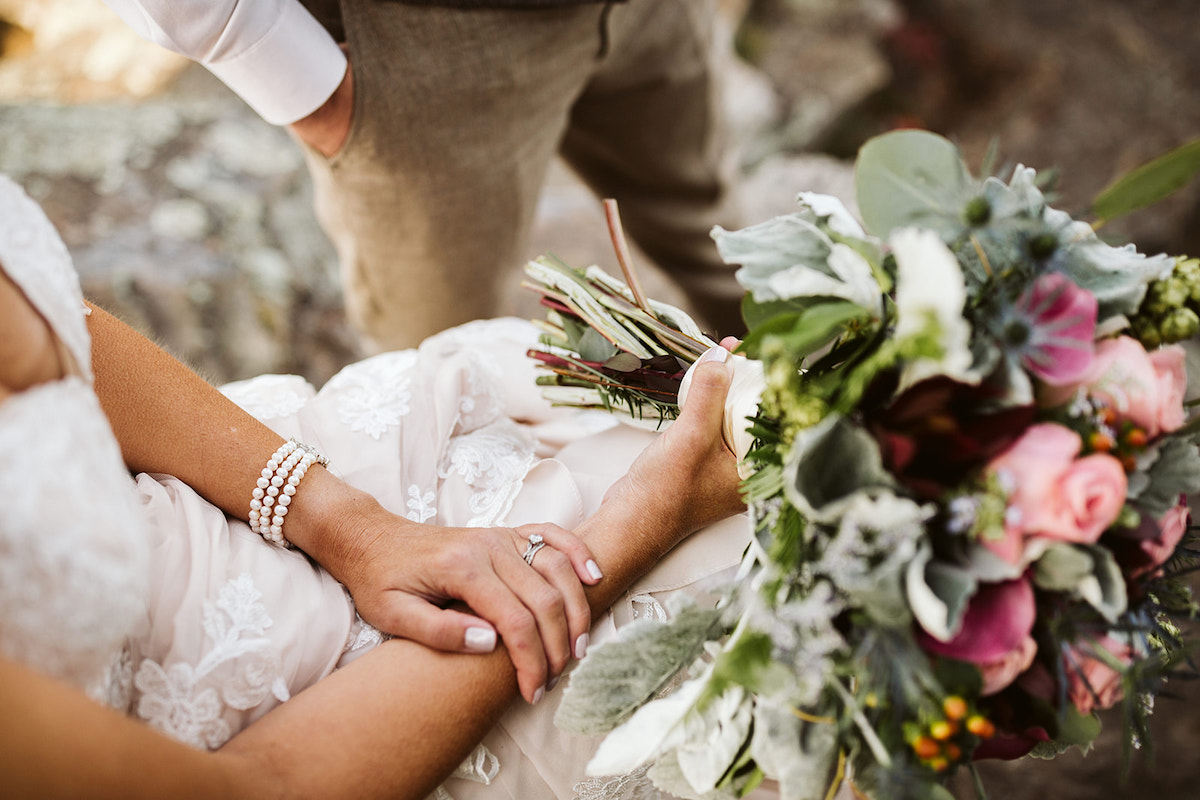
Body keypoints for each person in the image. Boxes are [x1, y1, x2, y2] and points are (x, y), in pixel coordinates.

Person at [0, 173, 752, 798]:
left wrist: (351, 528)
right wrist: (640, 521)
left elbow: (69, 331)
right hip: (357, 730)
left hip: (267, 482)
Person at [99, 0, 747, 351]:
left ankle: (818, 414)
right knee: (444, 363)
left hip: (656, 13)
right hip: (421, 44)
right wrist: (268, 56)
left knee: (718, 235)